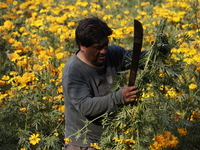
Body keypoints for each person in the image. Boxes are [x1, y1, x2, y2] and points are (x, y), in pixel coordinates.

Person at [62, 17, 165, 150]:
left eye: (105, 45)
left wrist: (158, 52)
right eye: (98, 48)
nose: (104, 51)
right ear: (82, 46)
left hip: (113, 138)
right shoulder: (73, 70)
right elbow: (85, 106)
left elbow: (139, 59)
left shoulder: (113, 54)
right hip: (84, 143)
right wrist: (119, 97)